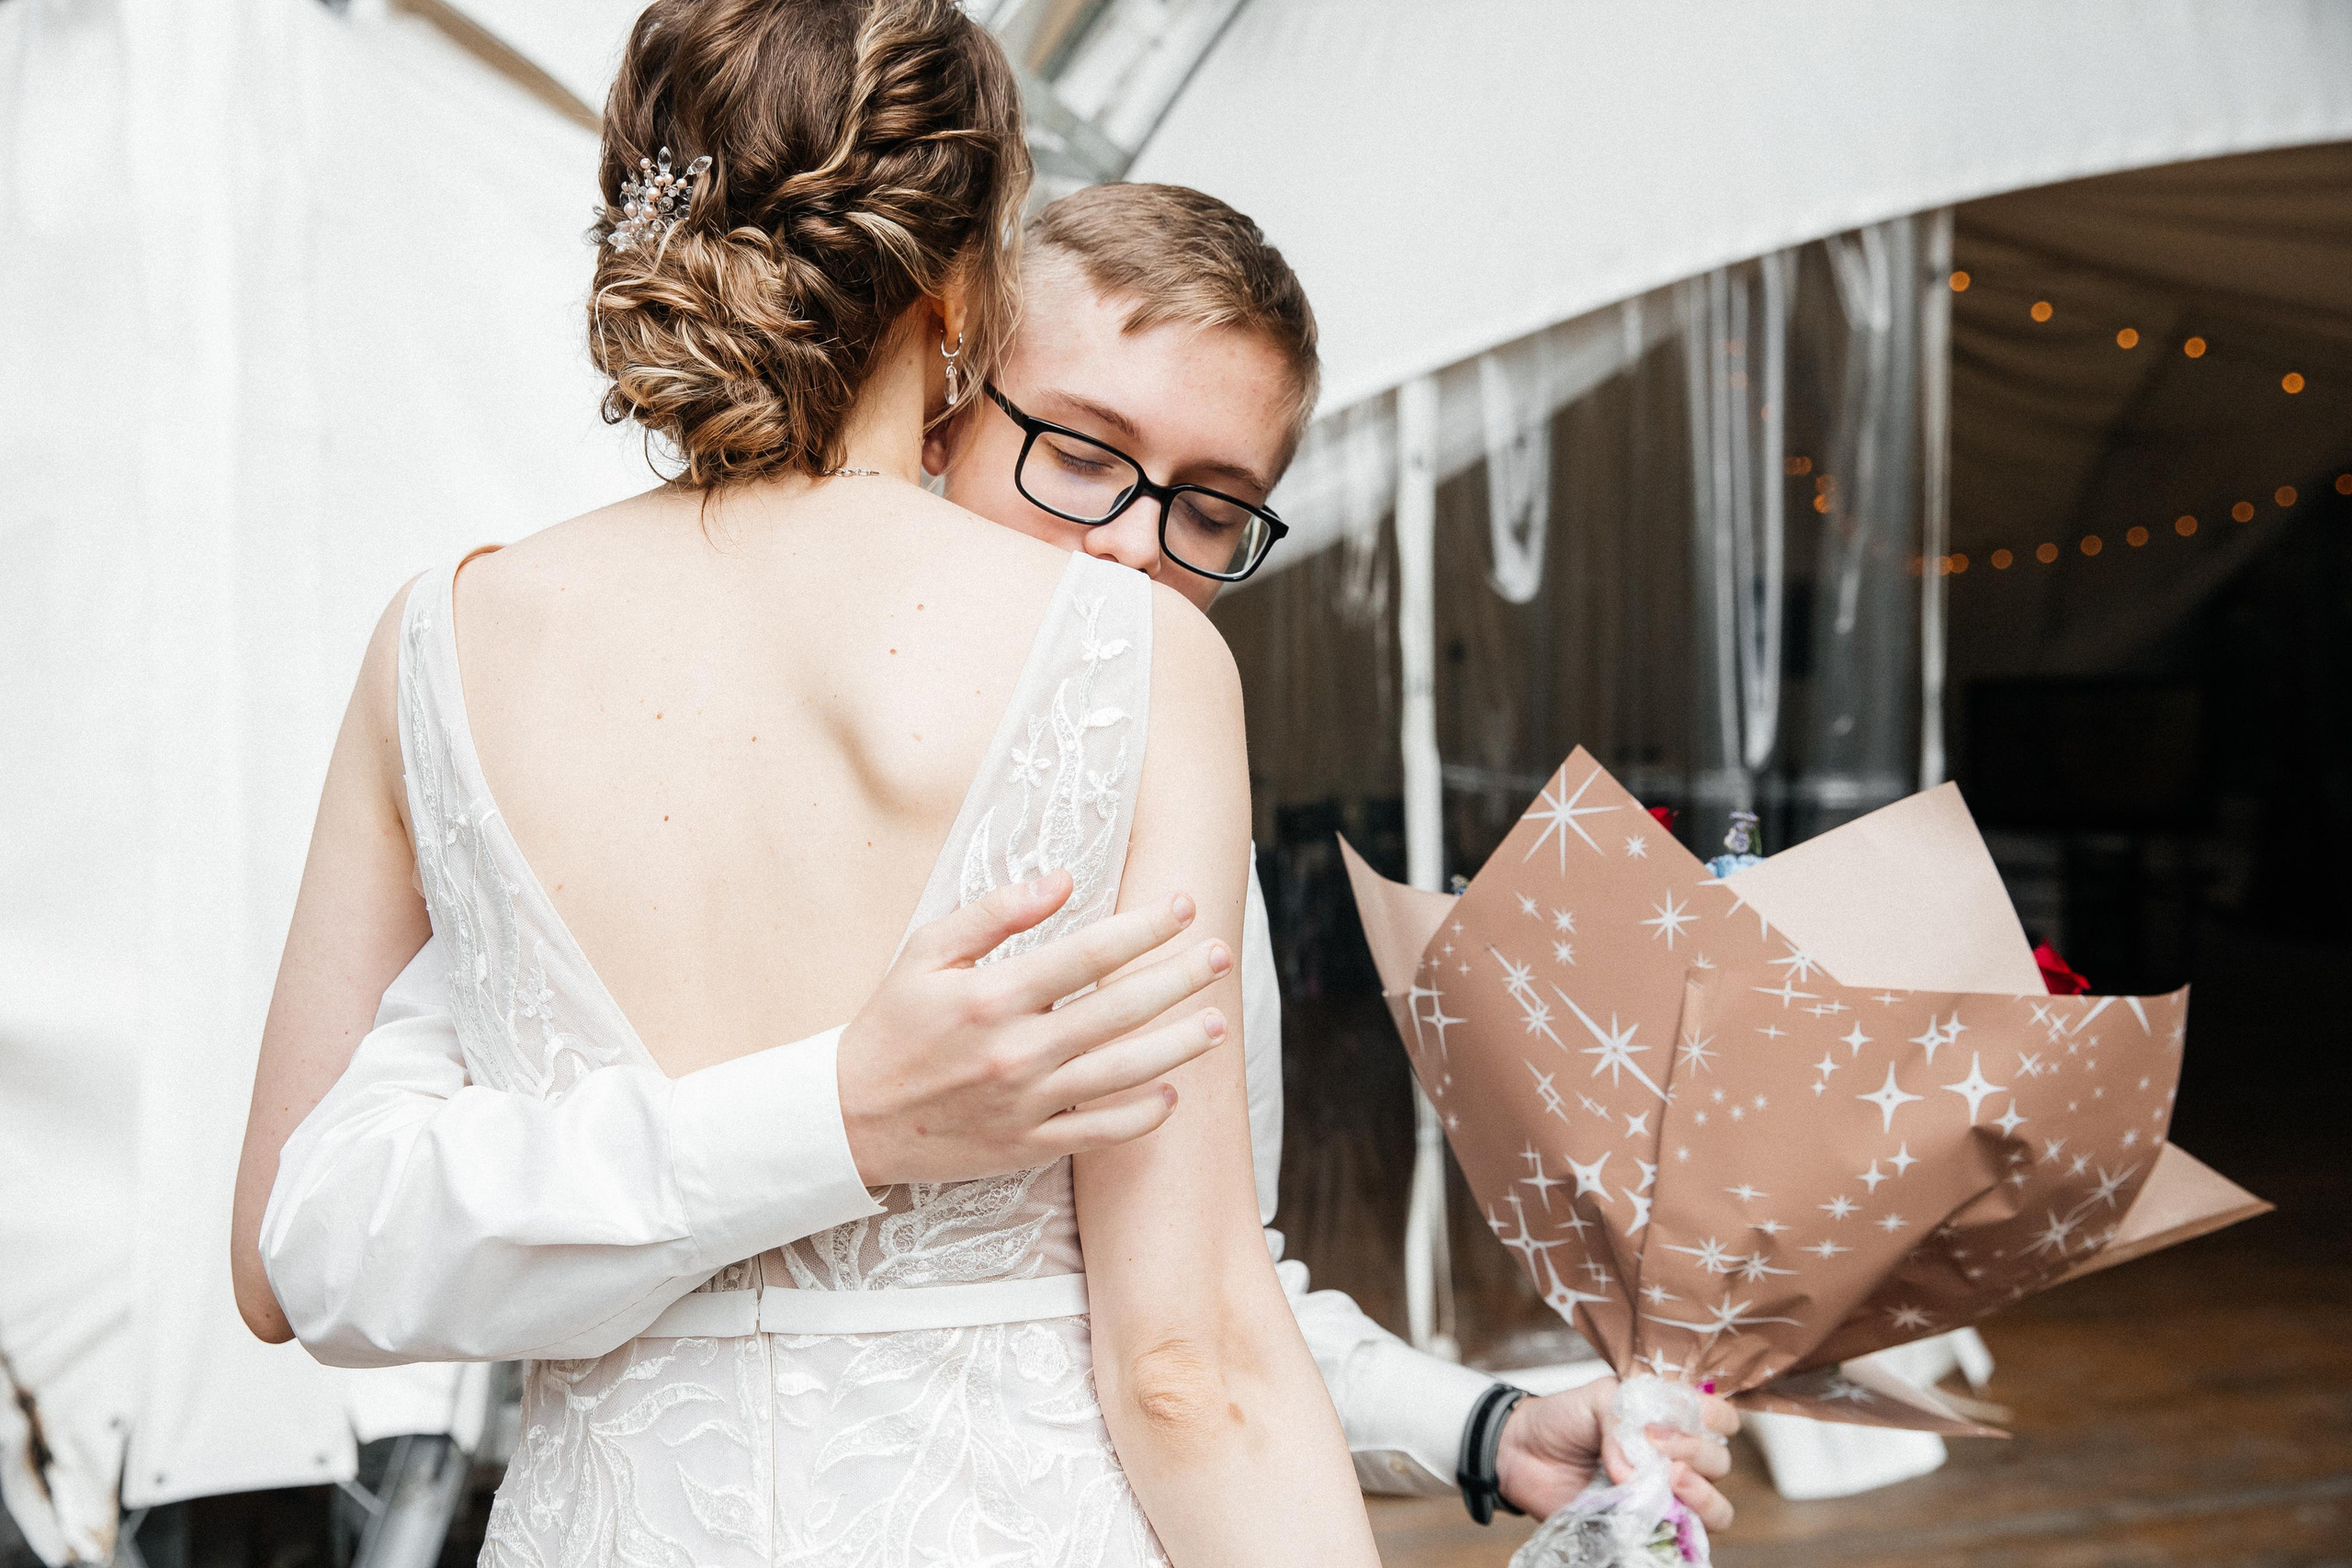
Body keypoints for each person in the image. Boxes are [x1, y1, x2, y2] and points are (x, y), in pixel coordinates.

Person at [241, 176, 1741, 1551]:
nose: (1133, 550)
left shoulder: (1143, 761)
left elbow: (1182, 1315)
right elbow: (313, 1237)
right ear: (942, 399)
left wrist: (1478, 1428)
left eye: (1212, 507)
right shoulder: (580, 746)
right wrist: (839, 1114)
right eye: (1083, 455)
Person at [243, 2, 1378, 1562]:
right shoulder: (1132, 660)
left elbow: (284, 1254)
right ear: (969, 287)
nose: (1134, 530)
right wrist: (843, 1109)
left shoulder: (438, 644)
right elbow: (1189, 1370)